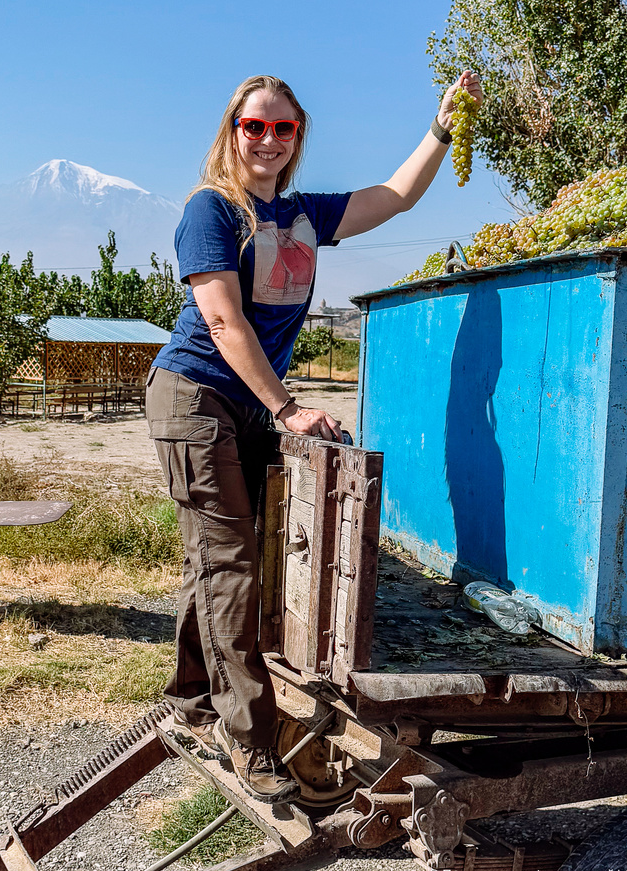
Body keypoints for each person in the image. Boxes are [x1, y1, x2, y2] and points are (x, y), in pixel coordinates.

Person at [147, 71, 483, 803]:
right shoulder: (213, 211)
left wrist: (442, 130)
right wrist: (288, 407)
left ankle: (192, 694)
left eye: (283, 128)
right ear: (231, 130)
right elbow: (223, 323)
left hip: (245, 403)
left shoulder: (303, 214)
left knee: (223, 556)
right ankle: (252, 742)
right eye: (253, 126)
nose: (267, 139)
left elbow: (393, 197)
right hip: (196, 395)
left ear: (299, 137)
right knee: (230, 562)